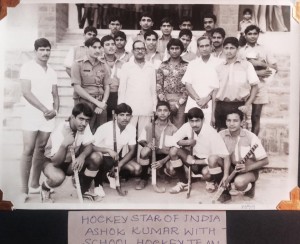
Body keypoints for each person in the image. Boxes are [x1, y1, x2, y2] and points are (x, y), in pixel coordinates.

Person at [19, 38, 59, 202]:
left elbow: (55, 95)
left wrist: (55, 110)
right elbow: (26, 92)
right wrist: (44, 110)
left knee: (41, 148)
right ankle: (23, 190)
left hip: (48, 115)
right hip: (32, 113)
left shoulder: (52, 71)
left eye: (47, 50)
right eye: (41, 50)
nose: (45, 53)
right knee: (28, 149)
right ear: (35, 51)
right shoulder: (27, 67)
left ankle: (35, 185)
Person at [41, 103, 100, 203]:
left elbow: (89, 145)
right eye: (81, 119)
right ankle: (45, 188)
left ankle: (83, 190)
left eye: (87, 120)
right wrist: (64, 145)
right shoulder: (60, 130)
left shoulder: (84, 126)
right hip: (53, 162)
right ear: (73, 117)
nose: (84, 123)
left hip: (71, 162)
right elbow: (55, 162)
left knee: (97, 157)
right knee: (58, 178)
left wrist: (82, 156)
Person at [208, 110, 269, 203]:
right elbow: (224, 156)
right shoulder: (221, 135)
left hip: (248, 170)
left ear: (242, 122)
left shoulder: (251, 137)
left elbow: (265, 161)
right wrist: (225, 175)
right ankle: (225, 192)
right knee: (212, 159)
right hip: (231, 168)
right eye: (229, 120)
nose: (231, 124)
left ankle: (250, 186)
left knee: (239, 183)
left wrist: (247, 168)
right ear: (225, 122)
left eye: (235, 121)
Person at [167, 107, 229, 194]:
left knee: (206, 172)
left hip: (208, 163)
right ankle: (184, 182)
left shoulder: (211, 132)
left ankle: (212, 181)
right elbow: (170, 141)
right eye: (191, 121)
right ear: (188, 120)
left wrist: (194, 161)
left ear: (203, 120)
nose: (194, 124)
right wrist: (187, 142)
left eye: (197, 121)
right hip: (194, 159)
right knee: (173, 150)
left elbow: (224, 156)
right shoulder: (187, 126)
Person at [118, 40, 157, 162]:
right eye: (137, 49)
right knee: (126, 137)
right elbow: (122, 88)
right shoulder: (126, 66)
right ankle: (124, 166)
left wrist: (154, 107)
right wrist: (121, 107)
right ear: (133, 51)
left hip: (146, 108)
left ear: (145, 51)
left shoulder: (151, 67)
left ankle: (143, 167)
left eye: (142, 48)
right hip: (129, 109)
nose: (140, 51)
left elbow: (153, 89)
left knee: (144, 138)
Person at [92, 103, 141, 197]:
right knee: (98, 158)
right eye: (122, 115)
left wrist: (120, 164)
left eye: (127, 115)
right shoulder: (104, 128)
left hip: (115, 158)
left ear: (131, 117)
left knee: (137, 169)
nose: (125, 118)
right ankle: (98, 185)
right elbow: (91, 147)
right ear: (115, 116)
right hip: (101, 157)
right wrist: (108, 150)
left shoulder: (131, 129)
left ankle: (109, 174)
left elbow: (132, 151)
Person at [239, 25, 277, 135]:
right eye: (249, 34)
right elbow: (239, 71)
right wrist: (257, 72)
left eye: (255, 33)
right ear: (245, 35)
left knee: (256, 116)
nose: (252, 36)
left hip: (260, 85)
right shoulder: (241, 51)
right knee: (241, 115)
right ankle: (242, 142)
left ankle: (254, 144)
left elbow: (275, 68)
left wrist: (260, 63)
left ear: (258, 35)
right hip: (244, 85)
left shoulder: (265, 49)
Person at [214, 37, 259, 131]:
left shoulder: (246, 65)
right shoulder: (218, 67)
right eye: (226, 48)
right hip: (221, 106)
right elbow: (215, 91)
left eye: (232, 48)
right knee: (222, 135)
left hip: (239, 105)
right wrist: (213, 113)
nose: (229, 51)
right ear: (223, 49)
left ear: (237, 49)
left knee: (238, 136)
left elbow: (255, 86)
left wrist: (247, 104)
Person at [71, 37, 111, 134]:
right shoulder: (78, 64)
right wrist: (96, 102)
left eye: (99, 47)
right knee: (84, 131)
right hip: (85, 103)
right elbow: (77, 87)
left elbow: (107, 86)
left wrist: (102, 103)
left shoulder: (103, 64)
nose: (97, 50)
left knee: (101, 131)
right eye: (94, 47)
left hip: (101, 103)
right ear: (87, 48)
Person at [136, 101, 178, 190]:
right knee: (144, 151)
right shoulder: (149, 126)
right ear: (156, 112)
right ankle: (144, 178)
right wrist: (147, 144)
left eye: (165, 110)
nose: (162, 113)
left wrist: (162, 161)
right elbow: (141, 140)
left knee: (172, 170)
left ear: (169, 113)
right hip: (152, 155)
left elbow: (175, 150)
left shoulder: (174, 129)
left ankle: (163, 172)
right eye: (160, 110)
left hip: (166, 157)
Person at [182, 36, 221, 127]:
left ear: (211, 46)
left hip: (211, 105)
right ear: (198, 48)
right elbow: (188, 84)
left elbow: (219, 86)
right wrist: (198, 100)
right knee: (192, 134)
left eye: (207, 45)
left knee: (209, 133)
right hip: (194, 103)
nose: (204, 48)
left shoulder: (219, 63)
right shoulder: (192, 64)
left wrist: (206, 99)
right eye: (201, 46)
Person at [156, 38, 189, 128]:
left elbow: (188, 87)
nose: (174, 51)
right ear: (168, 50)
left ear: (182, 50)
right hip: (165, 99)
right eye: (172, 48)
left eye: (177, 48)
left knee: (179, 128)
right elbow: (158, 85)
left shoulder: (187, 66)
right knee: (165, 127)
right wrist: (165, 103)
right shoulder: (162, 65)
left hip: (181, 100)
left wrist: (178, 104)